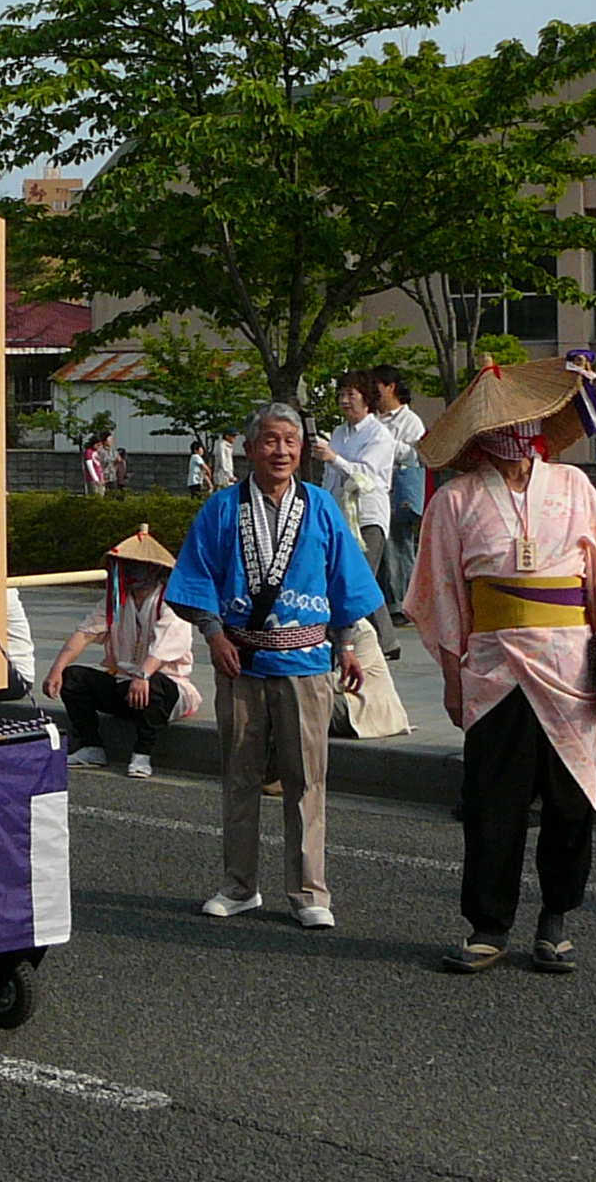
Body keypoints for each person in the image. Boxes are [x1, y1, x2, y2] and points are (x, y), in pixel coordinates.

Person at [405, 359, 596, 976]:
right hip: (495, 667)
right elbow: (441, 593)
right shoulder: (454, 500)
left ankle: (555, 917)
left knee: (571, 801)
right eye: (501, 425)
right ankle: (488, 926)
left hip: (571, 664)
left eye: (523, 420)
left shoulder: (574, 486)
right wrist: (453, 677)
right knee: (492, 802)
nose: (514, 433)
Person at [165, 402, 379, 929]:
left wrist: (347, 645)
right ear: (249, 447)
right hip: (241, 660)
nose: (281, 451)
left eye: (290, 441)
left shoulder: (322, 506)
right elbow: (196, 575)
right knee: (240, 776)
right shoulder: (220, 508)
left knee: (306, 778)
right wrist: (213, 634)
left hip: (307, 662)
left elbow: (343, 578)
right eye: (270, 440)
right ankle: (239, 886)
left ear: (301, 449)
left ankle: (310, 892)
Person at [44, 526, 201, 780]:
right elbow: (85, 633)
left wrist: (143, 674)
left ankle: (142, 753)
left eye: (140, 566)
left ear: (156, 569)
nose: (132, 572)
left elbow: (167, 645)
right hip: (124, 683)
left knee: (155, 685)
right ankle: (90, 746)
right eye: (128, 566)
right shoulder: (115, 600)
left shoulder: (170, 601)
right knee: (73, 677)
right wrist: (57, 668)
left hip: (165, 687)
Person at [311, 373, 401, 661]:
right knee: (358, 578)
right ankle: (387, 641)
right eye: (342, 394)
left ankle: (347, 638)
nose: (344, 400)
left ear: (367, 399)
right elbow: (330, 477)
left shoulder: (379, 435)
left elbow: (366, 477)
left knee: (357, 577)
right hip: (340, 514)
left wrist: (333, 458)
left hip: (368, 515)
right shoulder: (339, 433)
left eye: (351, 394)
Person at [372, 365, 426, 611]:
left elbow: (415, 455)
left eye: (376, 385)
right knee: (378, 546)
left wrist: (382, 443)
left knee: (398, 544)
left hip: (396, 489)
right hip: (373, 488)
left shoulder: (410, 420)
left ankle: (404, 601)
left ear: (390, 387)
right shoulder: (372, 417)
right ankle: (384, 601)